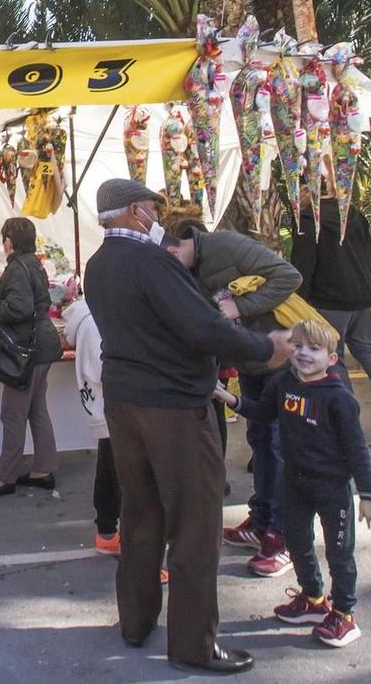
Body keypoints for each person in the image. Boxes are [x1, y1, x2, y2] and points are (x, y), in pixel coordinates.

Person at [85, 178, 288, 675]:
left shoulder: (98, 263)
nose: (159, 216)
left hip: (126, 400)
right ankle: (194, 643)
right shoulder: (151, 262)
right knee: (196, 524)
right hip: (172, 405)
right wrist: (266, 349)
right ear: (134, 212)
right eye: (153, 207)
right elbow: (202, 326)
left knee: (141, 513)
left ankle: (135, 622)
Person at [221, 319, 371, 651]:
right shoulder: (281, 383)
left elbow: (357, 449)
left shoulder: (339, 399)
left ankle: (344, 614)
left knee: (340, 554)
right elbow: (263, 413)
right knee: (297, 544)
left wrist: (368, 495)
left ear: (332, 359)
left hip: (332, 489)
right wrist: (229, 399)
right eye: (298, 346)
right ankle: (312, 598)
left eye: (315, 348)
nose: (304, 354)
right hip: (293, 484)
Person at [163, 214, 300, 579]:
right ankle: (262, 517)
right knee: (260, 440)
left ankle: (282, 536)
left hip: (281, 357)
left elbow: (289, 276)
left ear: (178, 248)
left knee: (278, 446)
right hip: (250, 362)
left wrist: (241, 307)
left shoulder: (226, 245)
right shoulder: (187, 270)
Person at [293, 198, 371, 436]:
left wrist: (301, 298)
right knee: (366, 349)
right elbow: (368, 255)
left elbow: (304, 264)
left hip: (328, 297)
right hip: (359, 294)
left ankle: (348, 416)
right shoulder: (353, 213)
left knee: (333, 356)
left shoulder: (308, 220)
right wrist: (366, 287)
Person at [0, 216, 63, 500]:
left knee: (12, 414)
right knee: (37, 409)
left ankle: (5, 477)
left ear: (9, 242)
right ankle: (43, 470)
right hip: (43, 346)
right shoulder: (34, 264)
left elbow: (18, 309)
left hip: (26, 350)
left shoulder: (16, 268)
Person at [62, 278, 119, 555]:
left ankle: (108, 532)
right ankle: (110, 533)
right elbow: (103, 368)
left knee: (111, 468)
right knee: (117, 472)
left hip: (105, 405)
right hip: (113, 406)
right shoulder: (96, 323)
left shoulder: (88, 319)